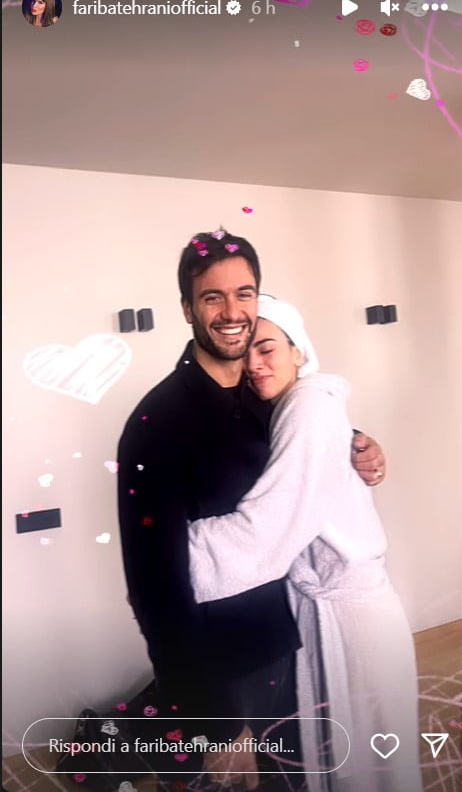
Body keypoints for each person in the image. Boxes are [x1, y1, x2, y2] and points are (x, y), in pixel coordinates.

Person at [117, 231, 386, 790]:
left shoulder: (260, 398)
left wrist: (356, 442)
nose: (232, 311)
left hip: (284, 643)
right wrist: (212, 721)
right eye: (212, 297)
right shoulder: (157, 423)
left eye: (244, 293)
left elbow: (300, 459)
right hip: (217, 672)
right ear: (187, 308)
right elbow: (153, 586)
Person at [187, 295, 422, 792]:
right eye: (246, 351)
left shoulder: (308, 406)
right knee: (351, 762)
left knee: (372, 768)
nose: (254, 363)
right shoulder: (277, 409)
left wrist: (167, 556)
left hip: (352, 622)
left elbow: (268, 527)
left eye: (267, 348)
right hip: (318, 613)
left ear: (299, 350)